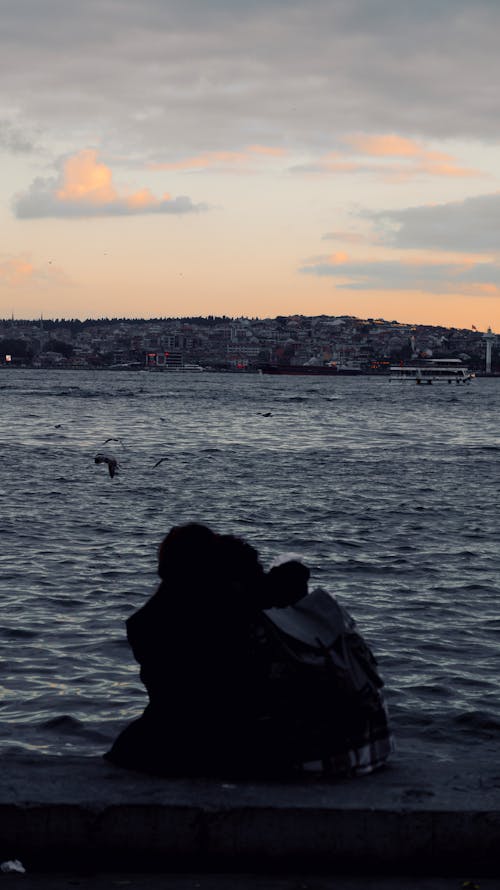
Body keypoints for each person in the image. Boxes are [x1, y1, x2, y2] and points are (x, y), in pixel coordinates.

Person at [105, 522, 393, 778]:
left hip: (217, 734)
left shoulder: (157, 622)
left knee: (135, 745)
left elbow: (181, 701)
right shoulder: (247, 608)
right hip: (256, 733)